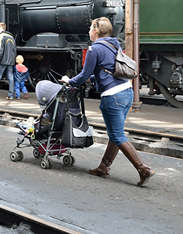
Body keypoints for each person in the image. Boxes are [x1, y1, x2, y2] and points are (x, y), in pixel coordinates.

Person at [61, 17, 155, 186]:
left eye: (91, 28)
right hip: (126, 92)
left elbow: (83, 75)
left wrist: (69, 81)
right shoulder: (114, 44)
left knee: (118, 135)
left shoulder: (94, 49)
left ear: (96, 31)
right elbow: (106, 70)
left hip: (112, 97)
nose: (89, 30)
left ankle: (143, 169)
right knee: (115, 134)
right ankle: (104, 167)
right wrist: (92, 79)